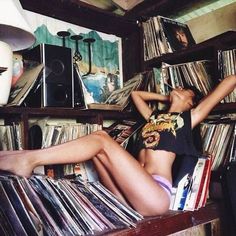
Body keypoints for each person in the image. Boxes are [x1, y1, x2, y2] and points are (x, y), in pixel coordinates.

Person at [0, 75, 235, 217]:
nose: (178, 88)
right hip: (127, 195)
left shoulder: (189, 119)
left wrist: (180, 104)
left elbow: (229, 82)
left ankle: (28, 159)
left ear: (191, 102)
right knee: (98, 153)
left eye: (185, 90)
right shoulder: (153, 118)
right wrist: (169, 99)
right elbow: (136, 95)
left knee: (102, 139)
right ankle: (24, 157)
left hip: (155, 196)